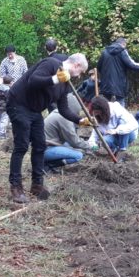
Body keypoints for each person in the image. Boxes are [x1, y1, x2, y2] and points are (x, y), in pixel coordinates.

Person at [7, 53, 90, 203]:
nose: (79, 76)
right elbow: (33, 81)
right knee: (21, 146)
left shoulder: (66, 83)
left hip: (34, 110)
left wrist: (80, 120)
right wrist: (55, 78)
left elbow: (63, 108)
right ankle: (16, 187)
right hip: (18, 104)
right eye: (81, 72)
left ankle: (37, 185)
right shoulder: (52, 64)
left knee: (40, 145)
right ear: (76, 65)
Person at [44, 93, 96, 173]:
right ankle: (48, 165)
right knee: (78, 155)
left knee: (73, 147)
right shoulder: (64, 118)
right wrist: (89, 146)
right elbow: (74, 141)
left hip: (45, 146)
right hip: (45, 150)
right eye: (76, 112)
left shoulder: (57, 112)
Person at [96, 38, 139, 106]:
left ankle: (106, 116)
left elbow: (99, 67)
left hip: (105, 86)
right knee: (121, 108)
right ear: (123, 44)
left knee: (106, 107)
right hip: (119, 86)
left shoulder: (105, 52)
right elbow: (132, 64)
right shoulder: (122, 51)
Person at [88, 96, 139, 160]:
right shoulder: (97, 119)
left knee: (122, 122)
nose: (97, 115)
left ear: (102, 109)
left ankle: (122, 150)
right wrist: (94, 147)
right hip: (114, 138)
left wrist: (116, 131)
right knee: (104, 140)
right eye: (95, 113)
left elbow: (134, 124)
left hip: (129, 135)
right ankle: (114, 151)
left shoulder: (116, 109)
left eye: (97, 112)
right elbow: (93, 137)